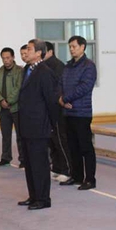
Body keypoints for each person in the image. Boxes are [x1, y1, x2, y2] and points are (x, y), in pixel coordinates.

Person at [17, 40, 59, 211]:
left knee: (39, 164)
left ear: (39, 53)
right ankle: (33, 195)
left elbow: (51, 101)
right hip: (26, 125)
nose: (26, 52)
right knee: (29, 164)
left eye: (29, 49)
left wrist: (51, 124)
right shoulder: (27, 70)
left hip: (39, 126)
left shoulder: (45, 72)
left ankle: (43, 198)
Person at [60, 36, 98, 190]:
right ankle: (76, 176)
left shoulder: (89, 66)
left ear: (82, 47)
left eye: (74, 46)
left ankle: (90, 179)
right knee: (72, 147)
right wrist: (61, 100)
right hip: (68, 113)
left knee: (85, 147)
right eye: (70, 46)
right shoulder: (67, 66)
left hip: (82, 113)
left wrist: (65, 98)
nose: (71, 49)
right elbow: (60, 84)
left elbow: (84, 87)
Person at [43, 42, 72, 183]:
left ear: (50, 52)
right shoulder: (43, 66)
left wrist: (59, 100)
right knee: (52, 141)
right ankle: (56, 168)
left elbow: (59, 88)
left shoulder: (58, 66)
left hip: (57, 109)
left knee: (60, 140)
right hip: (48, 109)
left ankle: (66, 170)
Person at [0, 47, 23, 168]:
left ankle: (23, 159)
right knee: (5, 136)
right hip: (3, 109)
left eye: (8, 58)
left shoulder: (19, 71)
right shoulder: (0, 71)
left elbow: (18, 88)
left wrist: (9, 101)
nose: (6, 60)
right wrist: (1, 100)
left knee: (20, 136)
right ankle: (5, 158)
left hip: (16, 109)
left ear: (13, 57)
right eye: (3, 58)